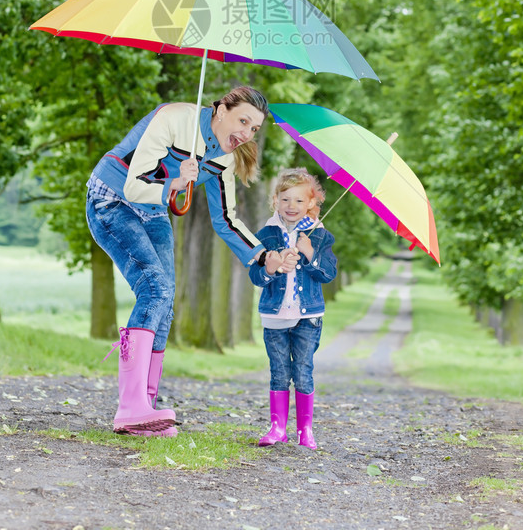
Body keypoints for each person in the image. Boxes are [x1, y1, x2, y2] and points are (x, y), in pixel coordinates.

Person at [86, 85, 296, 437]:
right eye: (242, 121)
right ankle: (130, 406)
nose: (245, 134)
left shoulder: (224, 160)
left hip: (152, 211)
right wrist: (177, 182)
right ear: (221, 110)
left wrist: (263, 256)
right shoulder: (173, 119)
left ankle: (145, 413)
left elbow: (226, 220)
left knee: (165, 302)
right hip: (112, 198)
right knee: (156, 290)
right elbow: (135, 186)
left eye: (254, 129)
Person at [248, 167, 338, 450]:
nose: (292, 206)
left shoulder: (320, 237)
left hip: (307, 317)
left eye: (299, 201)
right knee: (278, 371)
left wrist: (310, 254)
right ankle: (277, 428)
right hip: (275, 316)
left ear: (311, 203)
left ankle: (305, 430)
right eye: (285, 199)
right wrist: (270, 269)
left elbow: (328, 274)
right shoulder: (266, 234)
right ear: (275, 200)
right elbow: (255, 276)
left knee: (302, 370)